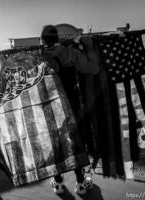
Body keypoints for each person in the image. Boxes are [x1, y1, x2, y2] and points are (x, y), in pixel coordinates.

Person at [41, 25, 99, 195]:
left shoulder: (38, 57)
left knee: (56, 144)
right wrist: (88, 48)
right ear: (57, 38)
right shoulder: (69, 53)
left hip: (50, 107)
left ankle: (58, 183)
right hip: (71, 105)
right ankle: (81, 184)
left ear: (42, 39)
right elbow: (93, 69)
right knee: (76, 144)